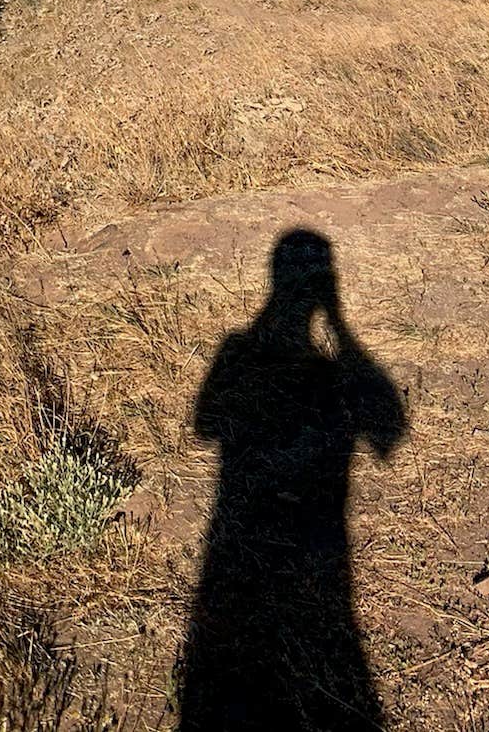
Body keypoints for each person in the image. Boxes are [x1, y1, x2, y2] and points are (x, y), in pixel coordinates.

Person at [174, 228, 406, 729]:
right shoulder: (298, 360)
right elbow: (389, 433)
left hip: (235, 535)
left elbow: (205, 424)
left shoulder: (236, 350)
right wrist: (342, 332)